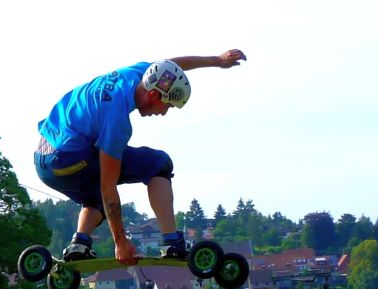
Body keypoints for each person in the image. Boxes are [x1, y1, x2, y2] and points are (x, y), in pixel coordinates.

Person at [34, 50, 247, 266]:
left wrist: (217, 61)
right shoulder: (116, 122)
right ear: (154, 95)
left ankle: (79, 246)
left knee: (96, 199)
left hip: (46, 159)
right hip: (65, 159)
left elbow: (172, 65)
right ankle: (172, 243)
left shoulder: (138, 74)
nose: (164, 113)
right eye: (168, 105)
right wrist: (121, 242)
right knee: (157, 164)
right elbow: (108, 188)